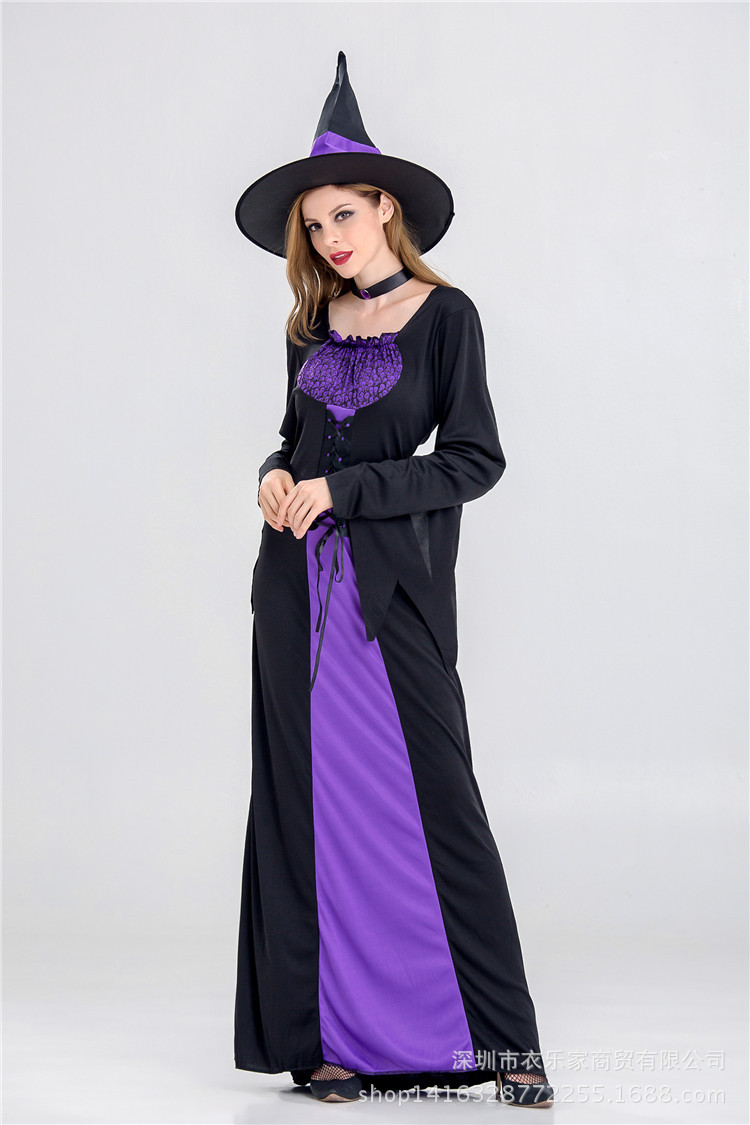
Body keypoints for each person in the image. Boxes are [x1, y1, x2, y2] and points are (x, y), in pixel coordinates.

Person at [233, 51, 555, 1109]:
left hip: (392, 596)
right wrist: (277, 476)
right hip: (296, 595)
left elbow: (474, 460)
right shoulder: (308, 326)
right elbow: (293, 439)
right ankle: (325, 1042)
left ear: (385, 207)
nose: (331, 237)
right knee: (306, 807)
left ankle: (504, 1045)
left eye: (344, 214)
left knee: (439, 802)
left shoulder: (446, 318)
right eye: (314, 224)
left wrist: (348, 491)